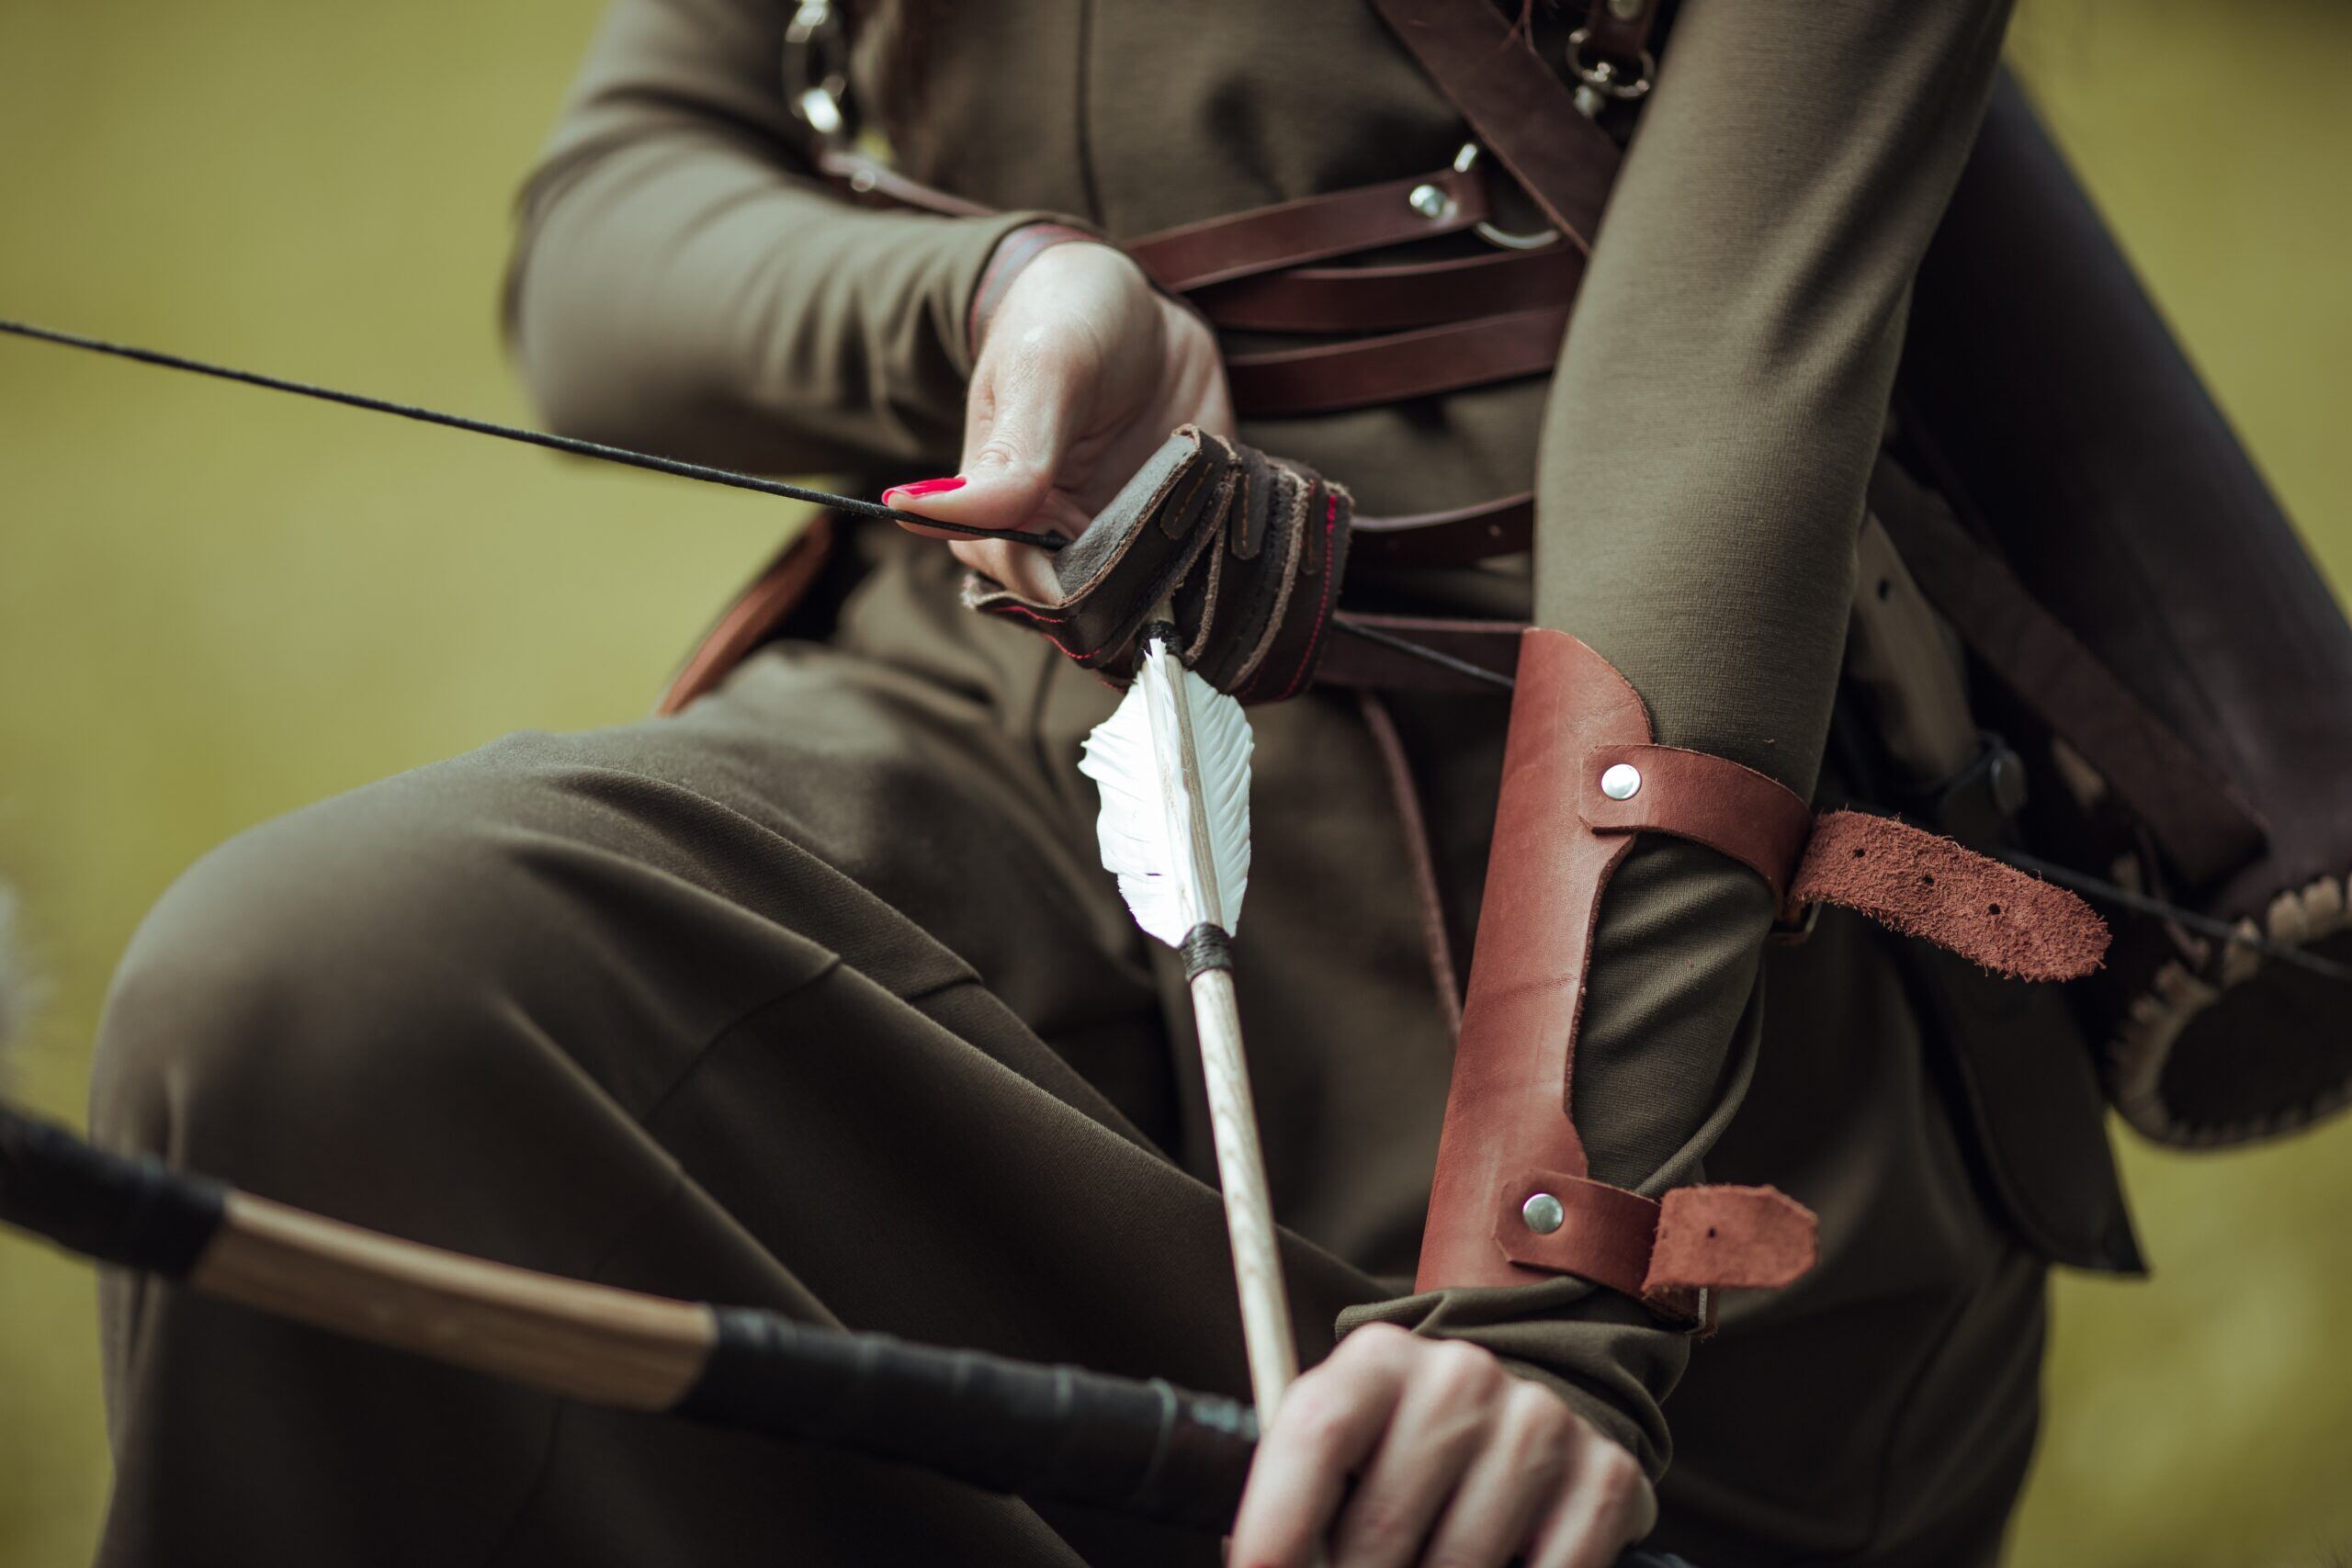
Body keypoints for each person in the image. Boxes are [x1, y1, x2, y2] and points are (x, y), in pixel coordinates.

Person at [85, 2, 2120, 1564]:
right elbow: (608, 225)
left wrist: (1550, 1276)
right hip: (996, 753)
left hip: (1653, 957)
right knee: (314, 985)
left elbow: (1727, 368)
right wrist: (991, 292)